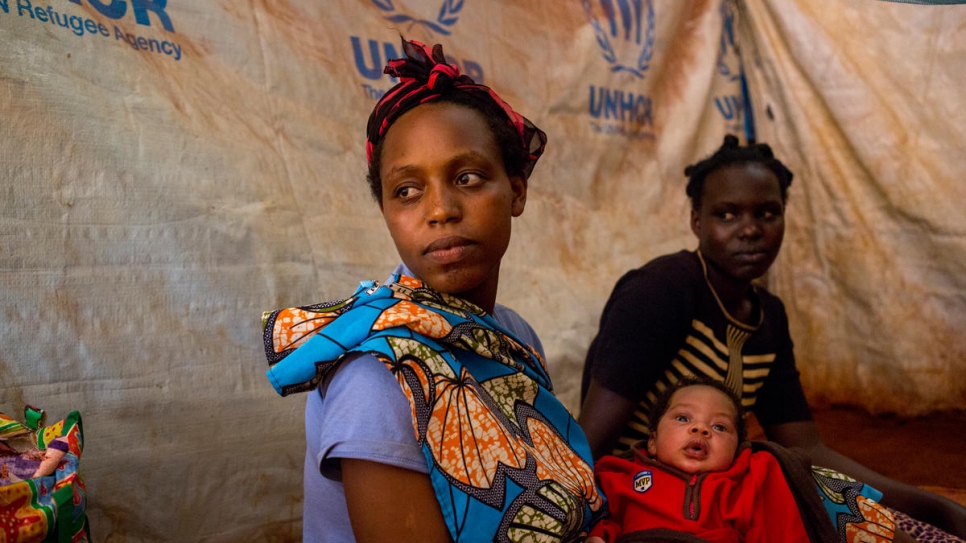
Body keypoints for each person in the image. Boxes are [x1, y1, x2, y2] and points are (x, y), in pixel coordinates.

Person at [261, 38, 602, 543]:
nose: (439, 209)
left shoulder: (513, 333)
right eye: (407, 191)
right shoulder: (380, 374)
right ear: (386, 213)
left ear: (518, 190)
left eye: (467, 177)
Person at [578, 135, 966, 540]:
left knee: (873, 523)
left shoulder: (769, 316)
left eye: (767, 213)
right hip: (643, 499)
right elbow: (591, 441)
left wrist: (937, 508)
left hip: (726, 498)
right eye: (727, 215)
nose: (750, 230)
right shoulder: (661, 290)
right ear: (697, 221)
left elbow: (807, 450)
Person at [587, 377, 910, 543]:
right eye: (683, 419)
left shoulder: (748, 480)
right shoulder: (619, 475)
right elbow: (598, 518)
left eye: (719, 427)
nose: (701, 428)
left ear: (737, 448)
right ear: (653, 441)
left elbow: (781, 531)